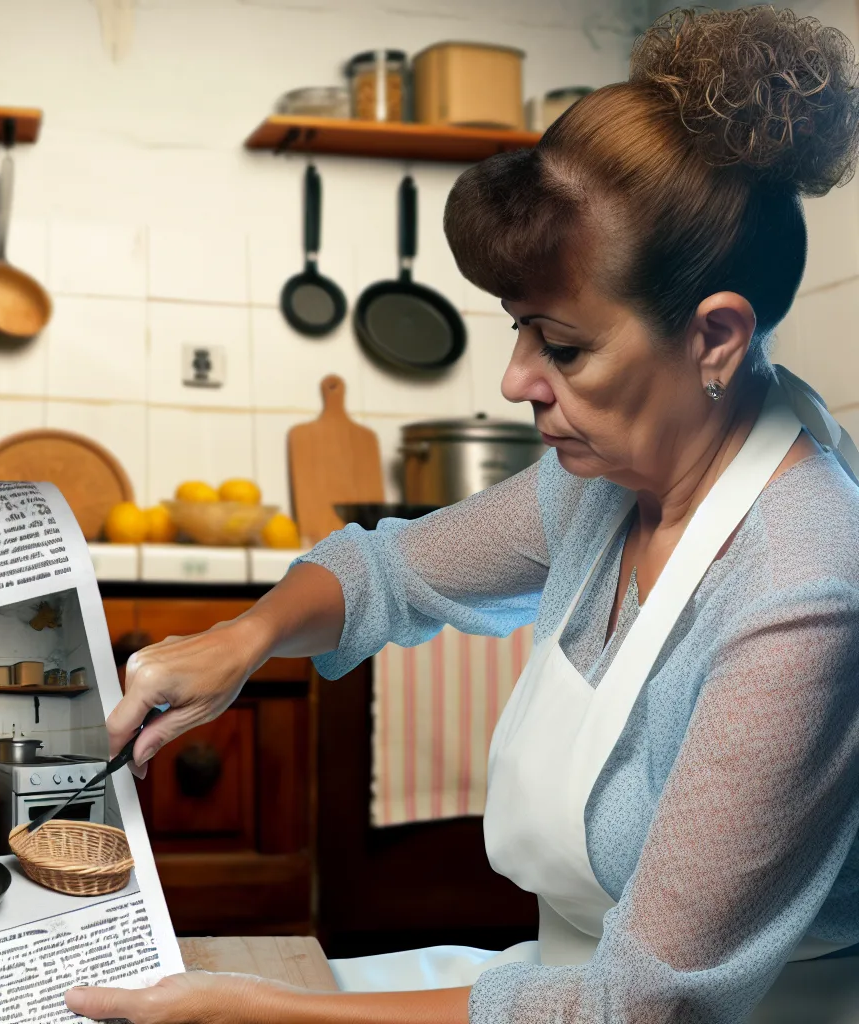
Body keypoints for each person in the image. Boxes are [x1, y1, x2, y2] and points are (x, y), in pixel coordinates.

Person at [67, 7, 859, 1023]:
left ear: (715, 337)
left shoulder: (800, 591)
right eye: (518, 329)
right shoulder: (606, 485)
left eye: (562, 347)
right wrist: (242, 640)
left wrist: (257, 1010)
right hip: (553, 987)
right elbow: (386, 571)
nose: (516, 378)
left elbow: (639, 1005)